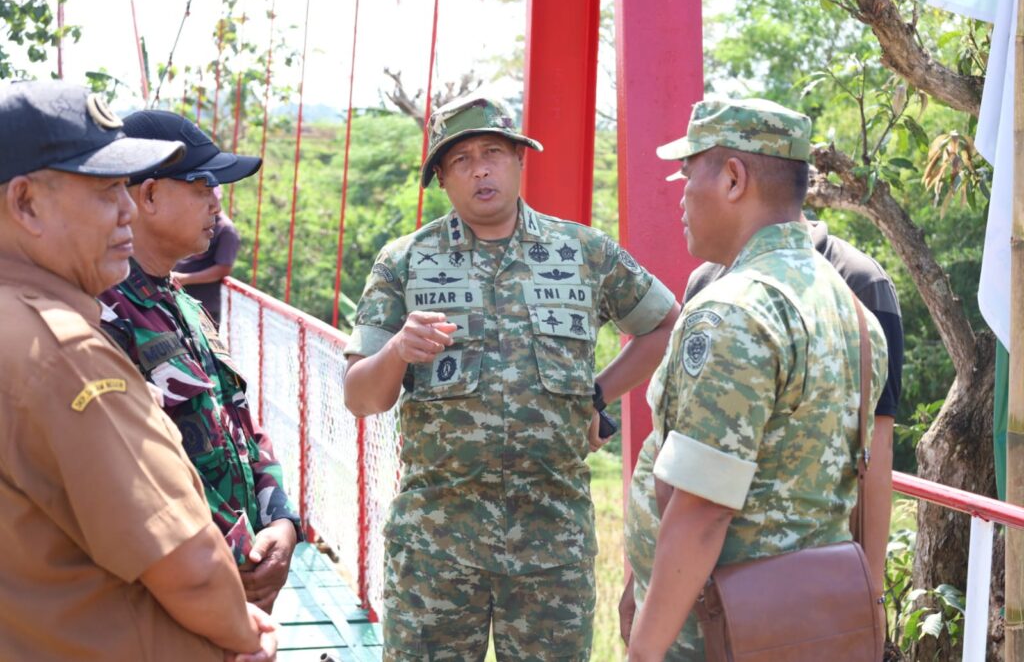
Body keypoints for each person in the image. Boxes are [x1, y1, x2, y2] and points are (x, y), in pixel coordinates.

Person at [343, 94, 680, 660]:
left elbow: (665, 325)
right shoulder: (404, 263)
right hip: (436, 551)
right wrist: (398, 349)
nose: (480, 170)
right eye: (461, 159)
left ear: (519, 160)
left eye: (493, 153)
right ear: (441, 178)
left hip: (551, 548)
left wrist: (595, 394)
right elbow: (360, 397)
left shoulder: (583, 252)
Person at [0, 80, 276, 661]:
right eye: (107, 191)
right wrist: (243, 637)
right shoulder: (64, 354)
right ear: (25, 204)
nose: (127, 208)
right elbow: (190, 567)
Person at [620, 98, 889, 661]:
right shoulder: (850, 309)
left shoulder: (736, 311)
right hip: (802, 628)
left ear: (734, 179)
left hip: (717, 636)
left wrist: (643, 652)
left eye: (688, 174)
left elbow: (702, 511)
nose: (681, 197)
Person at [97, 110, 301, 614]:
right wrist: (236, 558)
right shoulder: (101, 316)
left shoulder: (183, 304)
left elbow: (240, 423)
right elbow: (133, 473)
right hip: (178, 594)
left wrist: (282, 523)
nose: (217, 201)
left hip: (232, 583)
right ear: (148, 195)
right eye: (202, 184)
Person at [173, 187, 241, 326]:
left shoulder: (226, 230)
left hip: (204, 306)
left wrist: (184, 279)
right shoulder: (198, 223)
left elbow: (223, 269)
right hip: (183, 299)